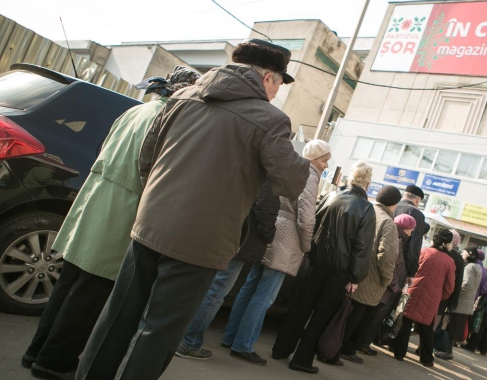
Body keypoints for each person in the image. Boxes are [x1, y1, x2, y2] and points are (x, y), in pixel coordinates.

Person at [75, 40, 310, 380]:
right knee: (160, 332)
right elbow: (291, 183)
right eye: (278, 85)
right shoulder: (270, 120)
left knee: (118, 316)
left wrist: (155, 203)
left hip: (150, 224)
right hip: (201, 243)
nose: (276, 94)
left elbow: (147, 159)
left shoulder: (182, 98)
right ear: (269, 78)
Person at [21, 67, 200, 380]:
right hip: (120, 210)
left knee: (70, 283)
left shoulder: (138, 110)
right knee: (90, 293)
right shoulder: (167, 122)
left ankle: (37, 352)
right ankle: (54, 361)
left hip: (95, 201)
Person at [177, 140, 331, 364]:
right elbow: (306, 218)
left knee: (246, 289)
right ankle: (239, 344)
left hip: (264, 235)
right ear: (313, 158)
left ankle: (231, 339)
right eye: (324, 160)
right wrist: (307, 246)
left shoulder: (289, 169)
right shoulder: (309, 175)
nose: (326, 165)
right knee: (262, 296)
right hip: (284, 241)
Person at [272, 160, 376, 374]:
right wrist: (356, 277)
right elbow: (362, 246)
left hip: (316, 261)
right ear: (368, 182)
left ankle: (281, 349)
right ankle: (301, 359)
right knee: (321, 315)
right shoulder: (365, 208)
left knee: (301, 306)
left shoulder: (331, 196)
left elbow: (313, 222)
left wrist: (309, 251)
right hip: (339, 270)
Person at [337, 186, 401, 364]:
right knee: (356, 317)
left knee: (343, 312)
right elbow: (387, 255)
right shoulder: (388, 223)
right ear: (394, 204)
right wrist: (387, 278)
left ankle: (334, 345)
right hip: (370, 278)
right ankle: (343, 349)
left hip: (350, 270)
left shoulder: (367, 209)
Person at [354, 214, 416, 355]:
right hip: (385, 287)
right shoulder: (397, 240)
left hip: (385, 285)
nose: (411, 233)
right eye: (410, 229)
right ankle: (360, 344)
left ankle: (359, 343)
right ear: (404, 228)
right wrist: (393, 284)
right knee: (372, 318)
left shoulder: (398, 238)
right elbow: (389, 264)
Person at [393, 229, 456, 367]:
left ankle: (399, 353)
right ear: (449, 244)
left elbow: (412, 268)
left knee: (405, 323)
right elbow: (450, 287)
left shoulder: (424, 252)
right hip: (432, 298)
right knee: (426, 329)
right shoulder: (450, 261)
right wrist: (439, 296)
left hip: (413, 291)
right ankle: (426, 359)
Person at [435, 247, 484, 360]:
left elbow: (466, 284)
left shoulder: (470, 267)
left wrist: (454, 292)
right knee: (455, 328)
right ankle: (447, 350)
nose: (462, 253)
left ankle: (447, 351)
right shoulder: (478, 266)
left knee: (452, 328)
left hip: (460, 303)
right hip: (466, 304)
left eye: (464, 252)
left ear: (470, 255)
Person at [433, 230, 465, 359]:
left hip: (428, 292)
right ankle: (425, 348)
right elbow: (457, 283)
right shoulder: (458, 258)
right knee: (434, 325)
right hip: (443, 298)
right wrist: (452, 302)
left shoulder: (433, 250)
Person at [394, 185, 426, 282]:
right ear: (418, 199)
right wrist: (412, 272)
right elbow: (415, 244)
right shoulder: (416, 213)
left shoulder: (392, 205)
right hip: (400, 263)